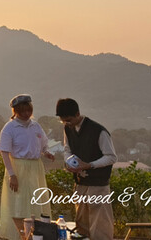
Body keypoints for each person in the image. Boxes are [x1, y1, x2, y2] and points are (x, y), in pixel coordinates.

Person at [56, 98, 117, 240]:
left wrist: (89, 165)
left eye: (69, 120)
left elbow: (111, 157)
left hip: (98, 183)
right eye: (63, 120)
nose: (67, 123)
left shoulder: (99, 131)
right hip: (80, 182)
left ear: (78, 114)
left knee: (100, 224)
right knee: (82, 223)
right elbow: (67, 150)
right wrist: (69, 163)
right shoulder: (67, 128)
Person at [0, 94, 54, 240]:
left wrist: (46, 152)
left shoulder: (35, 125)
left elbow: (42, 143)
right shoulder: (10, 128)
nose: (26, 114)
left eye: (28, 110)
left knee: (36, 201)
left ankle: (37, 234)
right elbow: (4, 152)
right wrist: (12, 174)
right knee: (19, 203)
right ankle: (19, 235)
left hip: (35, 168)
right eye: (23, 111)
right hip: (18, 167)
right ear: (15, 111)